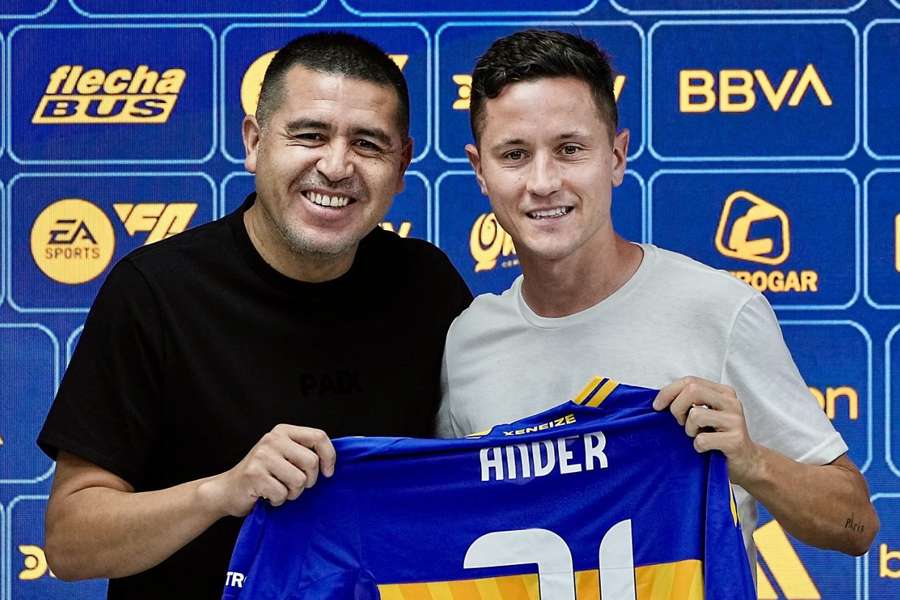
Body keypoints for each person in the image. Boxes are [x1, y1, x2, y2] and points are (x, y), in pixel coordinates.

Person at [38, 32, 471, 599]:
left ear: (402, 164)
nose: (336, 166)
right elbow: (70, 542)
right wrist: (222, 491)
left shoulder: (428, 283)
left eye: (368, 144)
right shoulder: (155, 291)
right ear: (254, 142)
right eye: (309, 135)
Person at [437, 29, 877, 570]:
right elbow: (446, 529)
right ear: (480, 171)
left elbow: (857, 525)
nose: (544, 181)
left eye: (570, 149)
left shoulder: (718, 308)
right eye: (514, 155)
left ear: (617, 157)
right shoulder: (468, 340)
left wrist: (752, 462)